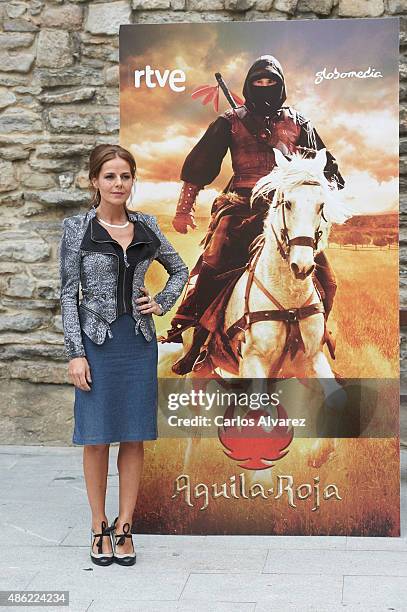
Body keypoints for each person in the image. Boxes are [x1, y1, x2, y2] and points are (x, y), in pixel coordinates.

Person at [166, 55, 344, 374]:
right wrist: (184, 208)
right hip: (241, 206)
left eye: (270, 82)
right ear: (250, 86)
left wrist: (324, 187)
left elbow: (324, 166)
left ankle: (317, 337)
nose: (265, 87)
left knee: (327, 280)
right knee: (211, 266)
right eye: (259, 82)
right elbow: (200, 163)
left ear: (280, 86)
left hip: (287, 209)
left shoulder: (299, 122)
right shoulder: (230, 121)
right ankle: (198, 343)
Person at [59, 144, 188, 566]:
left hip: (137, 343)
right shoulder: (77, 228)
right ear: (95, 181)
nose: (118, 183)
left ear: (133, 181)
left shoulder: (146, 225)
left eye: (125, 176)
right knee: (96, 437)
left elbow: (181, 269)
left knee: (133, 435)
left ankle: (125, 524)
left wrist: (163, 301)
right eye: (110, 176)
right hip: (96, 344)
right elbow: (67, 295)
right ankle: (98, 524)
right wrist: (76, 354)